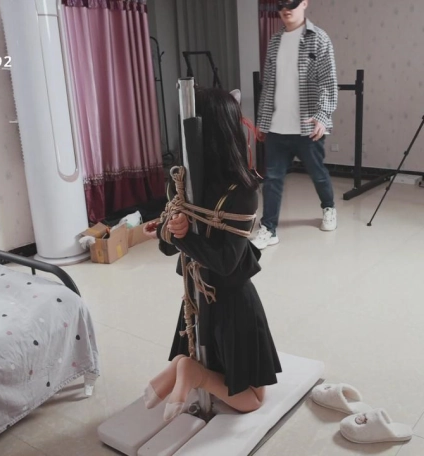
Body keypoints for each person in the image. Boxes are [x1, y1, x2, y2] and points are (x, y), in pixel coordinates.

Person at [143, 88, 282, 422]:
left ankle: (180, 367)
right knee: (254, 399)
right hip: (230, 304)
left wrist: (175, 233)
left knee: (220, 368)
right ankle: (192, 372)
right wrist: (172, 230)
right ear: (228, 130)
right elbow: (225, 263)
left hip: (198, 295)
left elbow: (174, 247)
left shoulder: (183, 182)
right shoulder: (241, 190)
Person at [252, 0, 339, 250]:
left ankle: (329, 207)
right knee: (272, 179)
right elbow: (268, 85)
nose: (286, 8)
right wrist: (262, 122)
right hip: (277, 126)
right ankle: (269, 229)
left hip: (307, 126)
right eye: (281, 3)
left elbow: (328, 82)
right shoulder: (275, 41)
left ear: (304, 3)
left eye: (291, 2)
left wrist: (322, 116)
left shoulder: (319, 38)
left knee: (317, 174)